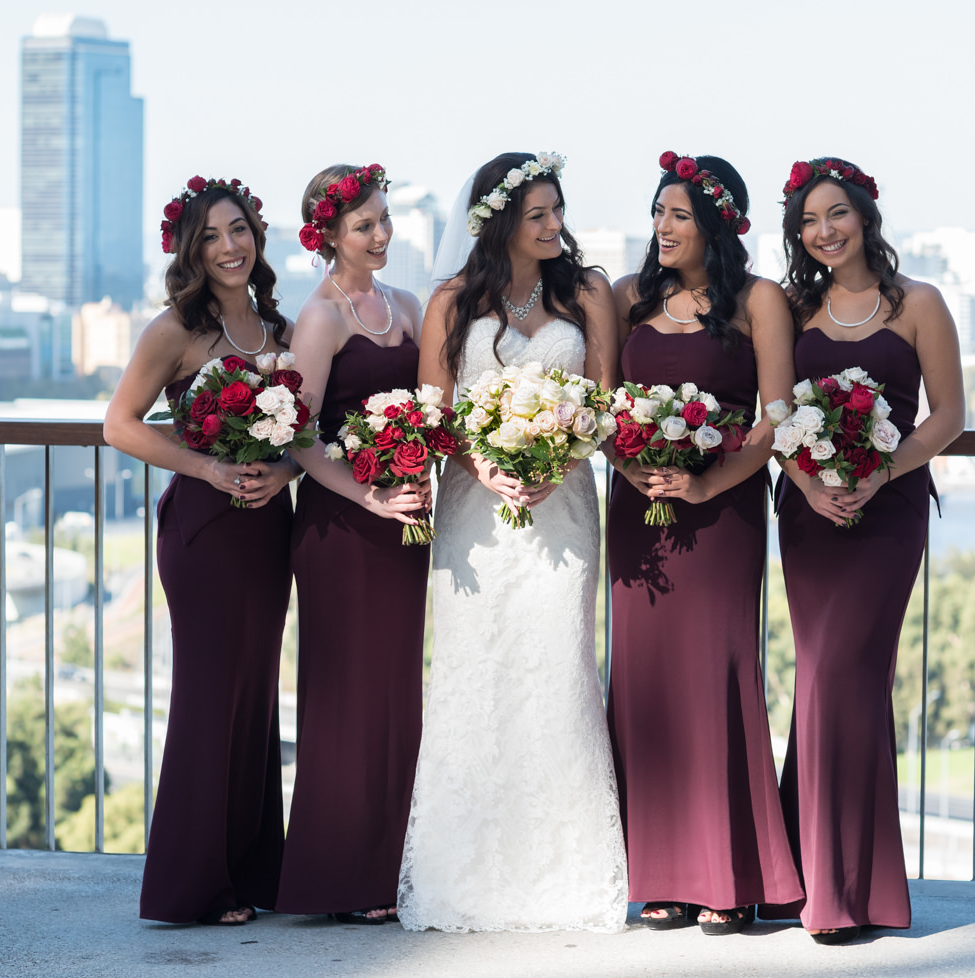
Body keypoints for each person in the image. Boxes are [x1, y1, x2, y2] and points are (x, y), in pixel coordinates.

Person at [398, 151, 628, 933]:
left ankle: (566, 871)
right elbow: (435, 415)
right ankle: (467, 872)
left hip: (563, 505)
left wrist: (552, 459)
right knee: (477, 665)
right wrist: (489, 465)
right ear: (501, 221)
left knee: (557, 663)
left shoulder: (588, 293)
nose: (556, 225)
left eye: (558, 210)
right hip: (473, 508)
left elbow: (602, 404)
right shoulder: (452, 301)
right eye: (539, 215)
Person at [605, 152, 803, 936]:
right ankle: (659, 874)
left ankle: (726, 872)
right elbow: (599, 406)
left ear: (716, 222)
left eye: (679, 215)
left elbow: (778, 415)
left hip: (723, 511)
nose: (661, 227)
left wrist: (707, 484)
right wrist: (635, 463)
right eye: (658, 212)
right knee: (646, 684)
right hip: (637, 507)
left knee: (717, 676)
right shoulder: (625, 297)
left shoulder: (759, 300)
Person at [772, 156, 964, 943]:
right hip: (809, 514)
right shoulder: (789, 308)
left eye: (835, 216)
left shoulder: (919, 303)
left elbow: (948, 415)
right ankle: (813, 879)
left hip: (888, 514)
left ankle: (835, 887)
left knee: (844, 677)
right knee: (820, 678)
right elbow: (777, 417)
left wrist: (880, 472)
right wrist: (812, 485)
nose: (823, 232)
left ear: (864, 216)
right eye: (808, 222)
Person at [104, 176, 293, 926]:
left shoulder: (277, 326)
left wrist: (279, 473)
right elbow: (119, 425)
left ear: (257, 234)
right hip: (204, 532)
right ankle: (193, 886)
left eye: (239, 229)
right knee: (211, 700)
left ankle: (250, 873)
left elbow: (299, 435)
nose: (229, 246)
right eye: (212, 236)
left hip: (266, 529)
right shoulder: (174, 329)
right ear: (191, 249)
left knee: (255, 700)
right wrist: (208, 466)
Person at [271, 163, 432, 925]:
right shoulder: (321, 317)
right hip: (342, 527)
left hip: (404, 523)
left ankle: (394, 866)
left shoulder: (406, 304)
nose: (381, 234)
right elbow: (298, 437)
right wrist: (371, 494)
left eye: (383, 219)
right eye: (364, 224)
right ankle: (341, 876)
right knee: (348, 699)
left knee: (396, 694)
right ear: (327, 236)